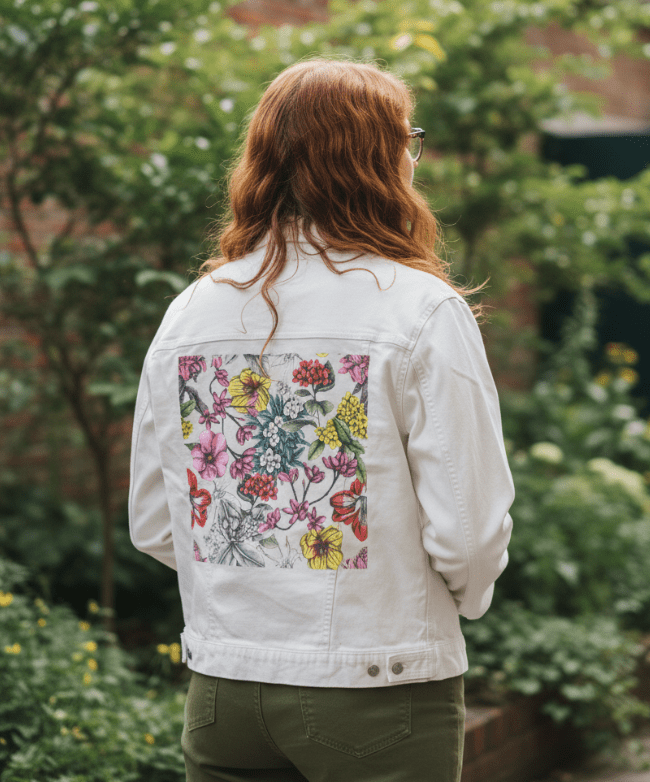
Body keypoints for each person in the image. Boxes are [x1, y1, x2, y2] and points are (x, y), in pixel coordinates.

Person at [129, 55, 515, 782]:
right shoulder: (421, 308)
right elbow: (468, 532)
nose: (413, 156)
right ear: (377, 161)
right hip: (381, 684)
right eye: (408, 139)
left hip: (225, 691)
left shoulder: (190, 312)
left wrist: (261, 583)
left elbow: (154, 523)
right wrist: (443, 605)